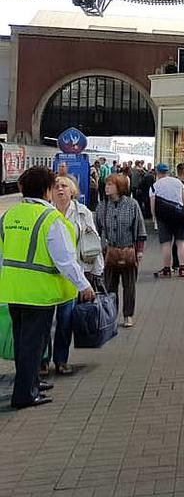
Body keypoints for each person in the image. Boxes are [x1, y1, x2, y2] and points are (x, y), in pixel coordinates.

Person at [0, 166, 95, 409]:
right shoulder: (51, 219)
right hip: (38, 293)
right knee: (33, 344)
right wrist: (84, 285)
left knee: (24, 342)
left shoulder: (10, 215)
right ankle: (24, 395)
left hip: (12, 289)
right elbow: (65, 260)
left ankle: (31, 382)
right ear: (47, 191)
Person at [41, 175, 100, 376]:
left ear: (72, 190)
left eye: (64, 186)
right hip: (48, 276)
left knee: (65, 322)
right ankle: (42, 360)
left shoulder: (83, 213)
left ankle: (61, 360)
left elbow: (93, 242)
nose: (60, 189)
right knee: (45, 322)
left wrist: (96, 272)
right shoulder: (45, 213)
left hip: (73, 274)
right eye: (56, 186)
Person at [96, 173, 146, 328]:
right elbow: (97, 229)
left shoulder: (132, 205)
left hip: (128, 250)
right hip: (109, 252)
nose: (106, 187)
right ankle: (111, 316)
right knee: (109, 286)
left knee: (129, 285)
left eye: (110, 185)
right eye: (106, 184)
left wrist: (139, 251)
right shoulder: (102, 206)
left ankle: (128, 315)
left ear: (120, 187)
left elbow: (140, 228)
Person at [150, 164, 184, 278]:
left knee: (166, 243)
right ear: (167, 171)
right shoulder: (179, 183)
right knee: (180, 242)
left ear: (157, 172)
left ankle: (167, 269)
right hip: (179, 215)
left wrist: (154, 217)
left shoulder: (154, 186)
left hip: (164, 217)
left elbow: (152, 204)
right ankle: (182, 268)